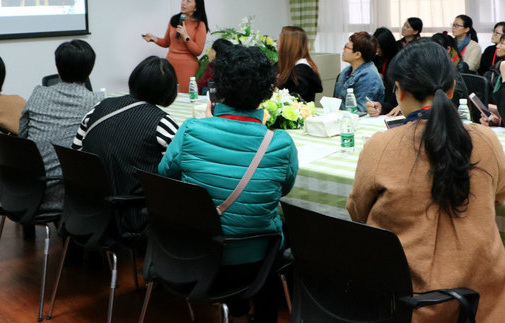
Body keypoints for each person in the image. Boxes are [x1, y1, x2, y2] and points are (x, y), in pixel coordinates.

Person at [347, 41, 505, 323]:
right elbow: (503, 193)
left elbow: (357, 211)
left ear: (399, 91)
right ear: (452, 89)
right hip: (480, 301)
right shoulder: (484, 139)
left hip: (406, 299)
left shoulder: (381, 145)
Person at [158, 45, 298, 322]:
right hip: (253, 261)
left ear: (217, 88)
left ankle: (237, 312)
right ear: (268, 93)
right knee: (280, 228)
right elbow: (283, 189)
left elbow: (165, 176)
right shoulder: (280, 143)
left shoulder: (190, 130)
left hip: (191, 253)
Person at [73, 56, 179, 236]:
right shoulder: (162, 123)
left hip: (86, 208)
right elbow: (177, 171)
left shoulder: (100, 107)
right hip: (133, 215)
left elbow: (76, 152)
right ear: (169, 90)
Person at [19, 40, 105, 217]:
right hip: (68, 191)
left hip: (27, 188)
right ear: (90, 70)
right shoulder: (96, 101)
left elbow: (22, 137)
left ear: (58, 68)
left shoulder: (38, 93)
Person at [142, 0, 209, 93]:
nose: (183, 3)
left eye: (188, 1)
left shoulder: (200, 25)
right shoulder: (174, 20)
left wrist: (186, 36)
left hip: (188, 67)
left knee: (185, 97)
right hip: (170, 64)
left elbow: (198, 51)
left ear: (196, 7)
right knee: (169, 94)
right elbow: (167, 42)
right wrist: (154, 39)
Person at [334, 31, 385, 110]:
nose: (343, 49)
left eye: (347, 47)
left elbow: (360, 110)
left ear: (358, 54)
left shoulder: (369, 77)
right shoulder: (347, 71)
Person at [275, 26, 322, 103]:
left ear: (289, 44)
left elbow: (296, 102)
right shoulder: (281, 64)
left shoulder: (302, 71)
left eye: (280, 39)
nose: (277, 42)